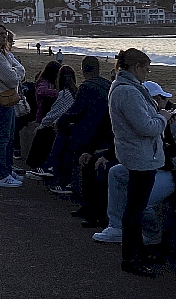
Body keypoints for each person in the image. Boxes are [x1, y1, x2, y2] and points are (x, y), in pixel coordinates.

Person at [98, 80, 176, 252]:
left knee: (144, 200)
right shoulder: (155, 118)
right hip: (158, 165)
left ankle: (153, 238)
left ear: (156, 99)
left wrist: (157, 162)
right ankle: (116, 226)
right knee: (116, 173)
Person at [105, 48, 171, 278]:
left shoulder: (123, 87)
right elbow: (146, 127)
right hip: (141, 156)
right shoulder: (128, 92)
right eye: (146, 69)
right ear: (136, 68)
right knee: (135, 210)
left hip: (136, 153)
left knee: (135, 207)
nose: (147, 74)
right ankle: (131, 258)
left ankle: (136, 253)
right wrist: (163, 117)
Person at [63, 56, 113, 224]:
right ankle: (88, 207)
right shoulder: (107, 85)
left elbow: (75, 110)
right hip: (106, 134)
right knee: (94, 173)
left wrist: (61, 122)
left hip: (89, 135)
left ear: (83, 70)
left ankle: (91, 209)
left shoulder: (86, 87)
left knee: (88, 172)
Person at [0, 24, 26, 188]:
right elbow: (13, 78)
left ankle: (6, 170)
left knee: (8, 138)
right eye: (1, 34)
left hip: (5, 99)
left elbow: (20, 70)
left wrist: (15, 72)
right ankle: (3, 174)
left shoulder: (3, 53)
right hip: (0, 100)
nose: (4, 37)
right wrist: (16, 73)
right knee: (4, 139)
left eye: (6, 34)